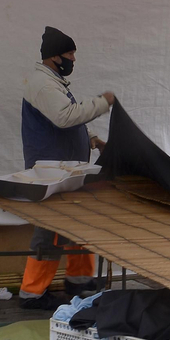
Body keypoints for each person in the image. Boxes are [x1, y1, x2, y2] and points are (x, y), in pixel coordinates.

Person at [18, 26, 116, 309]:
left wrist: (92, 139)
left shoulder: (53, 83)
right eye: (70, 53)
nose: (73, 58)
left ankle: (79, 280)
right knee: (49, 231)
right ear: (53, 57)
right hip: (49, 172)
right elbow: (64, 117)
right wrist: (103, 102)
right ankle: (32, 294)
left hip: (64, 170)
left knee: (78, 225)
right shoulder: (44, 85)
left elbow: (66, 124)